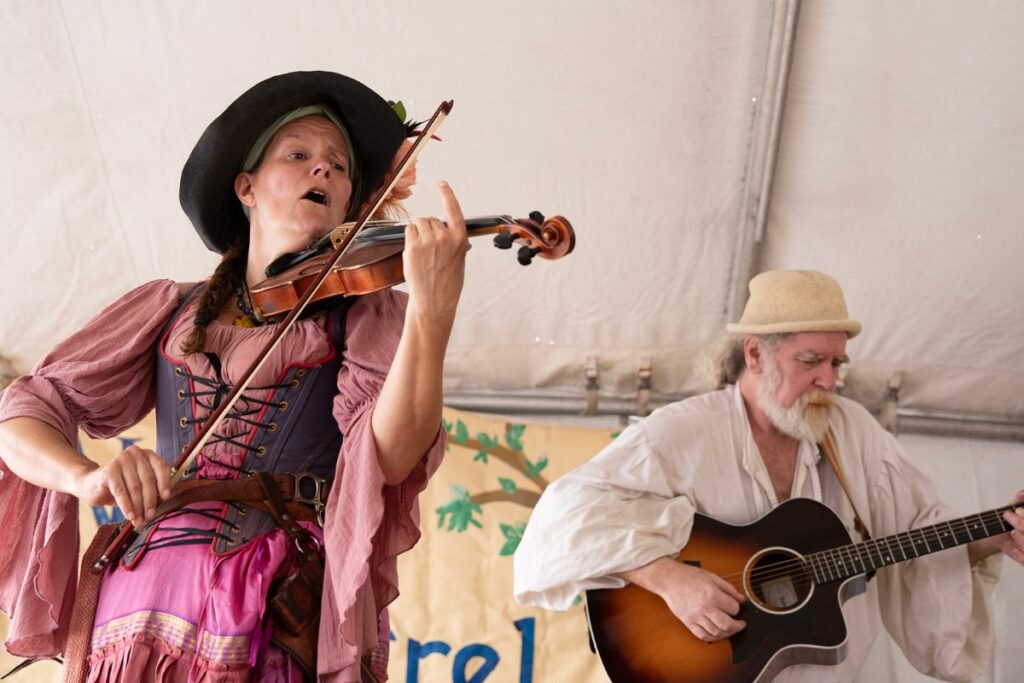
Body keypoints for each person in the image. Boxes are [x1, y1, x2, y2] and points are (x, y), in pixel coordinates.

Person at [0, 70, 468, 682]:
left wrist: (433, 312)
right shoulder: (169, 306)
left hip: (271, 602)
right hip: (138, 605)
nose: (322, 170)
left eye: (338, 166)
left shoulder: (366, 316)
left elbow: (391, 454)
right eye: (298, 155)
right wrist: (86, 477)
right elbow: (24, 411)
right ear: (245, 187)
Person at [513, 269, 1024, 682]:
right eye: (811, 360)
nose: (829, 379)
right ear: (755, 354)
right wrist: (666, 577)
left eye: (836, 362)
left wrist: (995, 535)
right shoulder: (682, 432)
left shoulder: (855, 433)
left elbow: (919, 528)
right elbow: (564, 514)